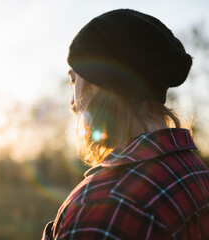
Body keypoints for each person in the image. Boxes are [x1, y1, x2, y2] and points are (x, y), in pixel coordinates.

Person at [42, 9, 209, 240]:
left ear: (99, 83)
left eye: (74, 80)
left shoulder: (103, 207)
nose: (73, 102)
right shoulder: (196, 171)